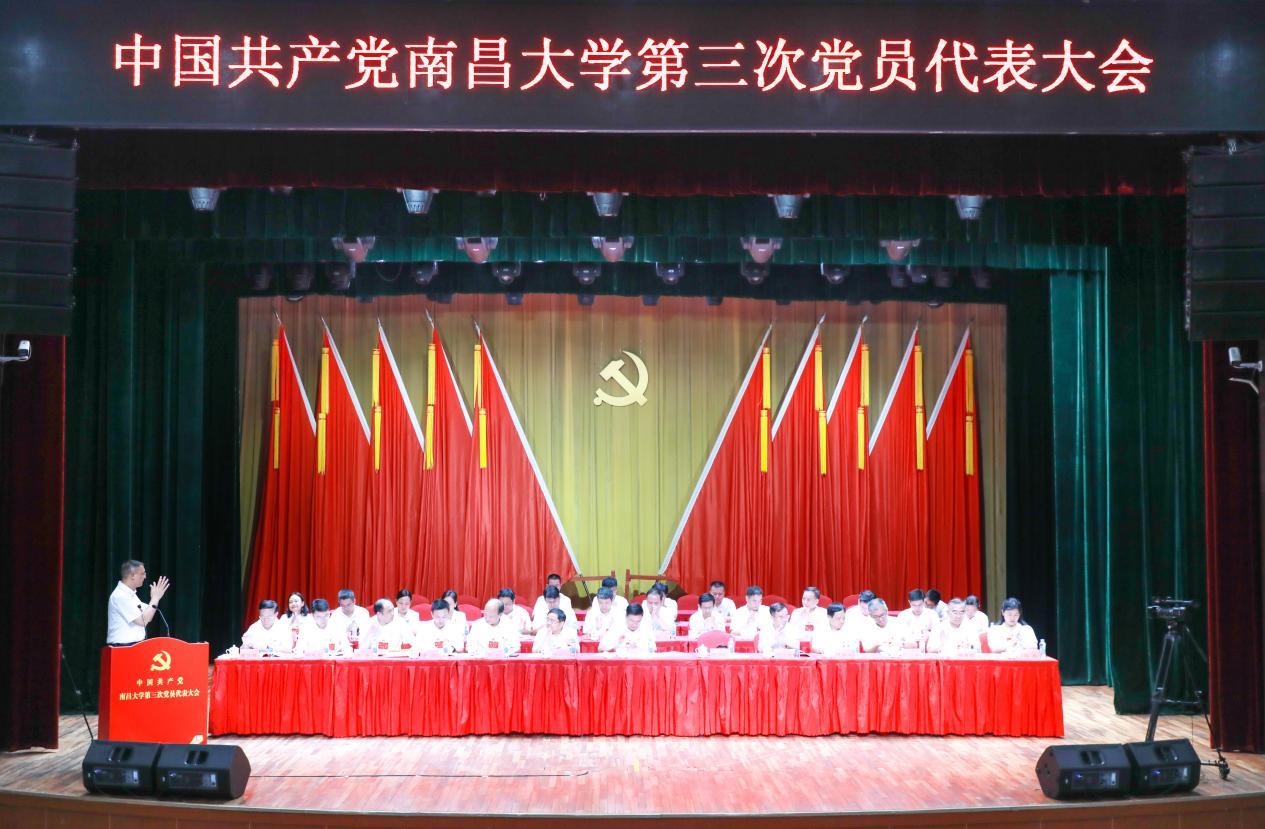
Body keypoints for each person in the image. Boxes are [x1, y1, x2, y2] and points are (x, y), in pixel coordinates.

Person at [107, 560, 171, 646]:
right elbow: (142, 620)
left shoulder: (131, 595)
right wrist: (155, 598)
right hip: (122, 647)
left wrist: (156, 598)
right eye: (142, 574)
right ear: (132, 575)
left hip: (134, 645)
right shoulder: (120, 596)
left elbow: (148, 616)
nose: (145, 577)